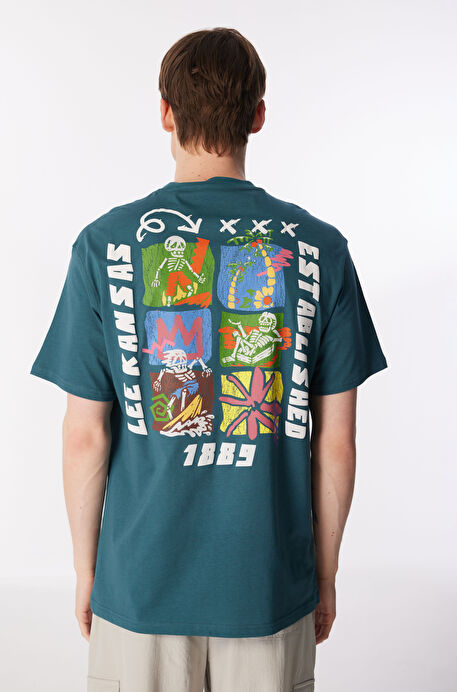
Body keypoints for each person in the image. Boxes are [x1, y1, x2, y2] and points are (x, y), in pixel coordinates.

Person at [30, 27, 387, 692]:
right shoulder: (321, 249)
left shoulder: (104, 244)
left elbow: (85, 435)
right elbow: (336, 441)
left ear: (166, 113)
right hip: (268, 586)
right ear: (258, 115)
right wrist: (324, 574)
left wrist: (87, 571)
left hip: (139, 587)